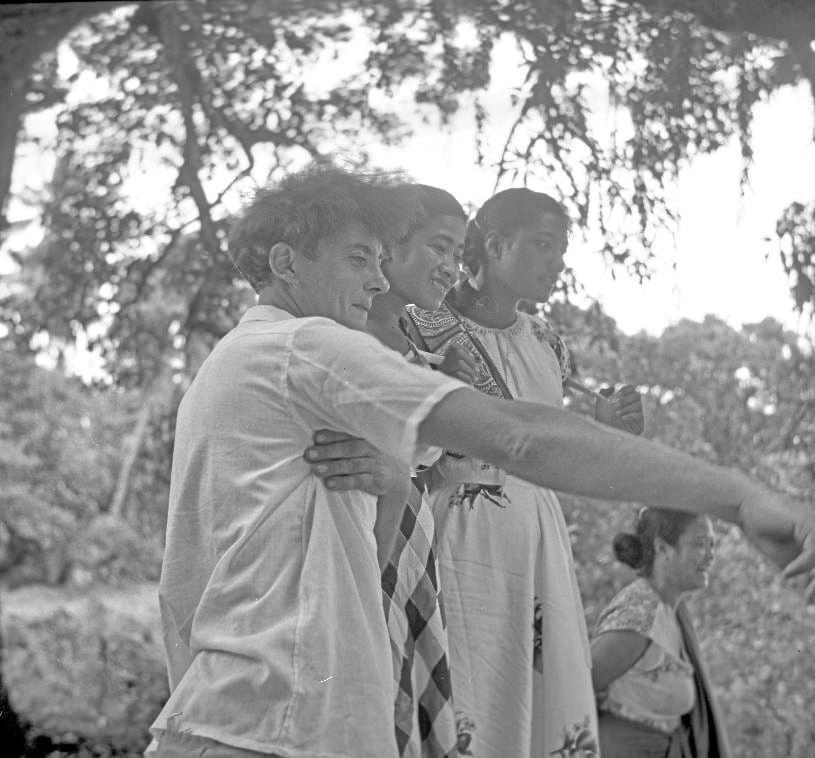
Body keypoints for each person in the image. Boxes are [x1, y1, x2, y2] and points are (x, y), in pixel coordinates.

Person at [148, 165, 815, 758]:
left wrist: (391, 482)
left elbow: (183, 592)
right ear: (285, 262)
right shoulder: (303, 345)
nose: (379, 280)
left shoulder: (225, 377)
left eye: (381, 260)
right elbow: (518, 437)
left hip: (238, 720)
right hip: (276, 731)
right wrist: (736, 497)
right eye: (358, 259)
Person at [402, 187, 642, 756]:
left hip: (535, 539)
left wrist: (608, 428)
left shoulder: (547, 343)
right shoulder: (421, 326)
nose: (556, 261)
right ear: (493, 244)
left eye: (561, 249)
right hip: (455, 537)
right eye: (542, 245)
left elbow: (556, 455)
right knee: (463, 686)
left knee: (530, 699)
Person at [308, 184, 474, 758]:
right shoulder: (345, 341)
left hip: (409, 540)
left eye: (457, 255)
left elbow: (418, 472)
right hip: (367, 544)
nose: (451, 269)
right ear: (391, 246)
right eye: (439, 248)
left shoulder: (410, 345)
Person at [591, 509, 732, 758]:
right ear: (663, 548)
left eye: (713, 544)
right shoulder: (639, 613)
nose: (711, 555)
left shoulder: (671, 612)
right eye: (700, 544)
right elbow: (576, 685)